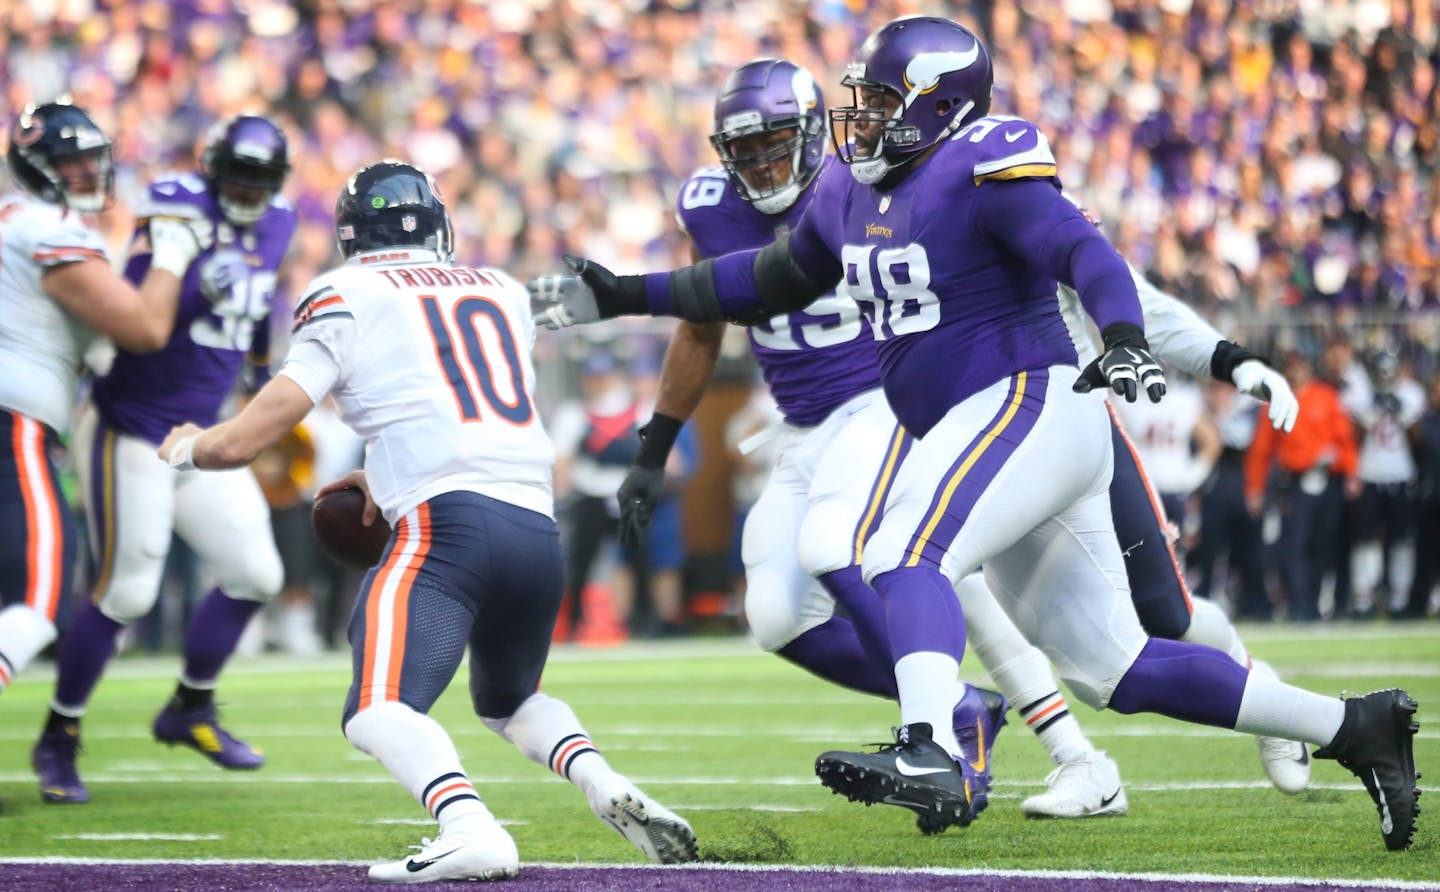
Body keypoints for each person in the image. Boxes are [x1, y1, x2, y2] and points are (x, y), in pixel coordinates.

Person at [529, 17, 1420, 850]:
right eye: (863, 100)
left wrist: (1123, 341)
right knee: (1117, 670)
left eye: (881, 102)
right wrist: (626, 292)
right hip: (982, 426)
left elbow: (1085, 255)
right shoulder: (845, 185)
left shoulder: (981, 166)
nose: (863, 118)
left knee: (900, 550)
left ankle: (931, 745)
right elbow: (763, 280)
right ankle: (1354, 726)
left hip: (1029, 399)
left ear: (934, 105)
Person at [158, 161, 697, 881]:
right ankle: (603, 783)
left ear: (353, 235)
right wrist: (383, 472)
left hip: (449, 530)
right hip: (537, 529)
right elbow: (450, 402)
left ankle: (469, 825)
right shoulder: (500, 289)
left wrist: (189, 448)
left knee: (376, 710)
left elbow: (252, 435)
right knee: (510, 701)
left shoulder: (344, 291)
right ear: (437, 224)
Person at [33, 114, 295, 804]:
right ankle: (59, 734)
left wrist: (263, 375)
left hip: (200, 432)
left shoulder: (280, 222)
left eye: (257, 181)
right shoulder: (178, 205)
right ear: (212, 169)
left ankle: (189, 707)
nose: (244, 191)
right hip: (132, 426)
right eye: (234, 176)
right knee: (127, 592)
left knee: (255, 573)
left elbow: (260, 302)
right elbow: (141, 314)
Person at [1, 99, 196, 717]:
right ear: (35, 166)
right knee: (41, 598)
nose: (87, 172)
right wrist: (170, 254)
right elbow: (143, 328)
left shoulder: (16, 225)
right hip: (11, 427)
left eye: (92, 159)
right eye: (70, 161)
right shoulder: (45, 229)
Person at [1245, 351, 1361, 621]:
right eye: (1290, 367)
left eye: (1299, 366)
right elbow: (1261, 451)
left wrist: (1352, 472)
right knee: (1293, 545)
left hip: (1327, 479)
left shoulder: (1325, 397)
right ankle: (1299, 605)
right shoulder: (1275, 401)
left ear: (1308, 368)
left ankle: (1315, 602)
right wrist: (1255, 487)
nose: (1295, 372)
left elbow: (1344, 438)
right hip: (1294, 482)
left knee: (1323, 544)